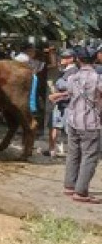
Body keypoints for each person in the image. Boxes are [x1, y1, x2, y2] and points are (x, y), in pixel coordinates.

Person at [61, 48, 102, 203]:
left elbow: (69, 94)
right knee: (90, 156)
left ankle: (69, 186)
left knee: (73, 154)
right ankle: (81, 192)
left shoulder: (72, 78)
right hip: (90, 122)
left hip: (73, 120)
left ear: (78, 59)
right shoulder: (97, 78)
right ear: (95, 59)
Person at [44, 49, 74, 157]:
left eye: (65, 58)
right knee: (53, 126)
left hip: (68, 104)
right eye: (62, 57)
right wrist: (52, 52)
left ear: (71, 59)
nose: (62, 59)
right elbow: (54, 64)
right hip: (60, 103)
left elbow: (73, 90)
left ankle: (72, 153)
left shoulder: (73, 72)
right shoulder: (64, 70)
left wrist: (58, 95)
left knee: (69, 130)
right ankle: (52, 150)